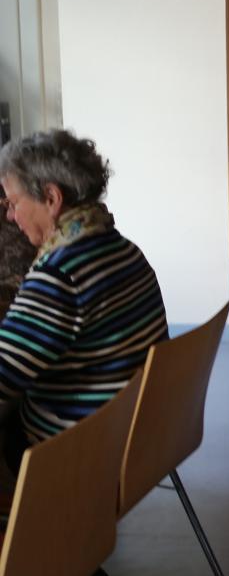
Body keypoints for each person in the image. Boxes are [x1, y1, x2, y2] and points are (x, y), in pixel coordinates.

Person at [0, 130, 167, 473]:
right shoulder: (122, 249)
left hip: (75, 452)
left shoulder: (60, 274)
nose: (10, 217)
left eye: (14, 203)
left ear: (51, 198)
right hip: (138, 436)